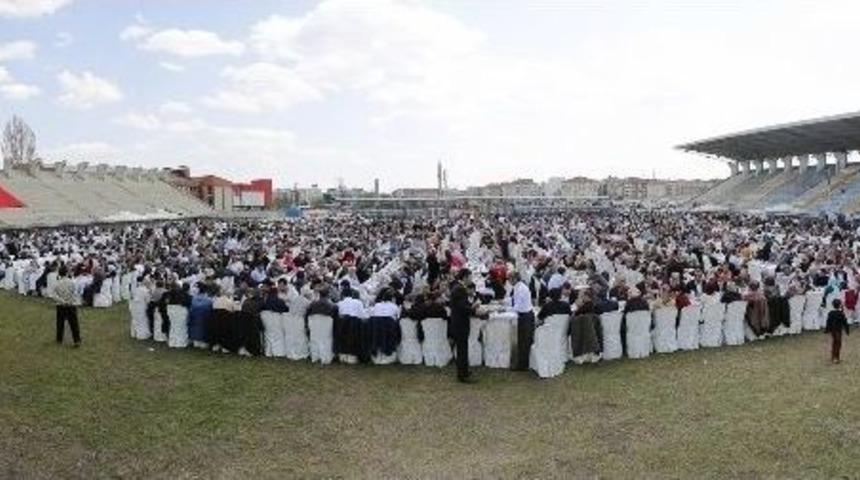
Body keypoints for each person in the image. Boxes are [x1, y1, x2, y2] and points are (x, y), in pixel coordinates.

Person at [449, 268, 476, 383]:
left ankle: (464, 370)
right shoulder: (459, 289)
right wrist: (474, 309)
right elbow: (463, 308)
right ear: (465, 277)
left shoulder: (458, 288)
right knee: (462, 349)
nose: (471, 279)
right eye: (470, 277)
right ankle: (462, 374)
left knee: (463, 348)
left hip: (459, 322)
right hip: (460, 323)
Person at [510, 271, 535, 371]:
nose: (509, 281)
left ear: (515, 279)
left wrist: (506, 309)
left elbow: (518, 306)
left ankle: (523, 365)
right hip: (524, 315)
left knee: (524, 341)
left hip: (526, 316)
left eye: (510, 279)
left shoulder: (520, 288)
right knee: (522, 341)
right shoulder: (518, 287)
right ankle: (522, 363)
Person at [53, 265, 81, 347]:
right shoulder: (72, 282)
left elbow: (54, 295)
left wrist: (62, 301)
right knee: (74, 323)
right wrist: (69, 301)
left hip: (61, 305)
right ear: (67, 273)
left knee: (60, 323)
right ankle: (76, 340)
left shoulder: (57, 283)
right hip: (71, 305)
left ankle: (59, 339)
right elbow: (75, 293)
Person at [825, 298, 850, 364]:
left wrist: (827, 330)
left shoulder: (831, 313)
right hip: (838, 330)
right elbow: (845, 323)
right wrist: (847, 330)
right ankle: (836, 357)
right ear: (839, 305)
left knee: (834, 342)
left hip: (833, 330)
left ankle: (833, 356)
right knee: (838, 343)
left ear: (832, 305)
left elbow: (828, 322)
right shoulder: (841, 313)